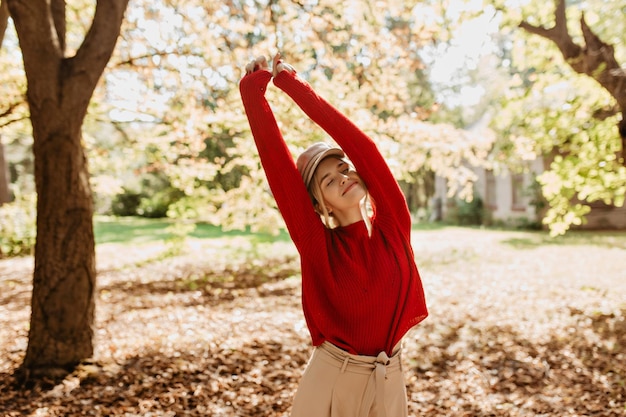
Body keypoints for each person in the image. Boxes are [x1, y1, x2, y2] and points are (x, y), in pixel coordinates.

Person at [239, 53, 428, 417]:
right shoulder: (319, 247)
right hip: (332, 382)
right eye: (328, 180)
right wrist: (254, 94)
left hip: (389, 381)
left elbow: (365, 149)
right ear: (318, 203)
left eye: (344, 169)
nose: (344, 178)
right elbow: (279, 171)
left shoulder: (394, 226)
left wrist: (293, 86)